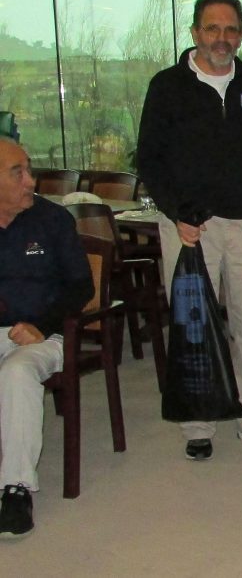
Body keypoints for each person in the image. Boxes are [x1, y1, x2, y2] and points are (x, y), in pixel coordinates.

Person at [137, 0, 242, 461]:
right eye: (212, 28)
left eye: (230, 29)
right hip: (191, 227)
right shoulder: (167, 86)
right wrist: (175, 213)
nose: (221, 38)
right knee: (193, 326)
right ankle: (198, 423)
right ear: (195, 32)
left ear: (240, 35)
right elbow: (149, 159)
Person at [0, 138, 94, 537]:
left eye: (29, 170)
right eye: (17, 173)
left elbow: (81, 286)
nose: (30, 181)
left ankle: (16, 489)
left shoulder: (53, 221)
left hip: (46, 335)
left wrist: (40, 323)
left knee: (17, 373)